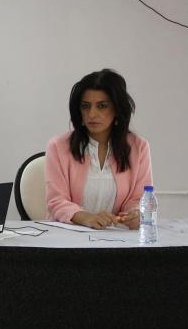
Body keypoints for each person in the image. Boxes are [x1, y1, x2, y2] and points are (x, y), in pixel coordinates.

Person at [45, 69, 153, 230]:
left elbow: (139, 198)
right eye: (85, 106)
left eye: (102, 106)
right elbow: (56, 201)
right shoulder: (57, 146)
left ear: (117, 109)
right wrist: (87, 218)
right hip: (68, 235)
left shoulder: (139, 148)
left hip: (116, 236)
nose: (92, 114)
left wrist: (137, 214)